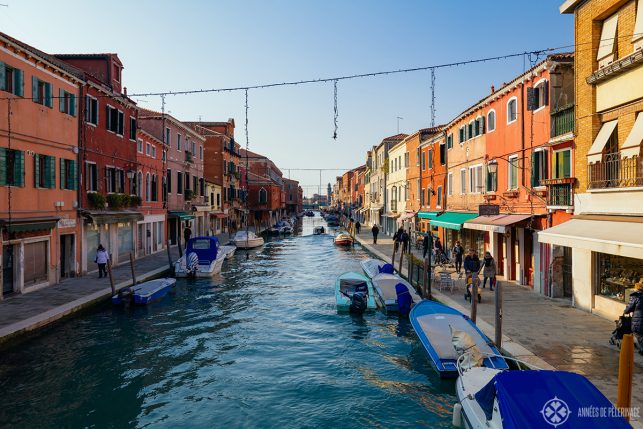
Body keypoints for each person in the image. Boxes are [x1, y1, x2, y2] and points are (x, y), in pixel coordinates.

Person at [624, 279, 643, 355]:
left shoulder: (636, 296)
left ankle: (642, 349)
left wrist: (625, 311)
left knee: (638, 333)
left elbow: (629, 308)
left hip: (638, 320)